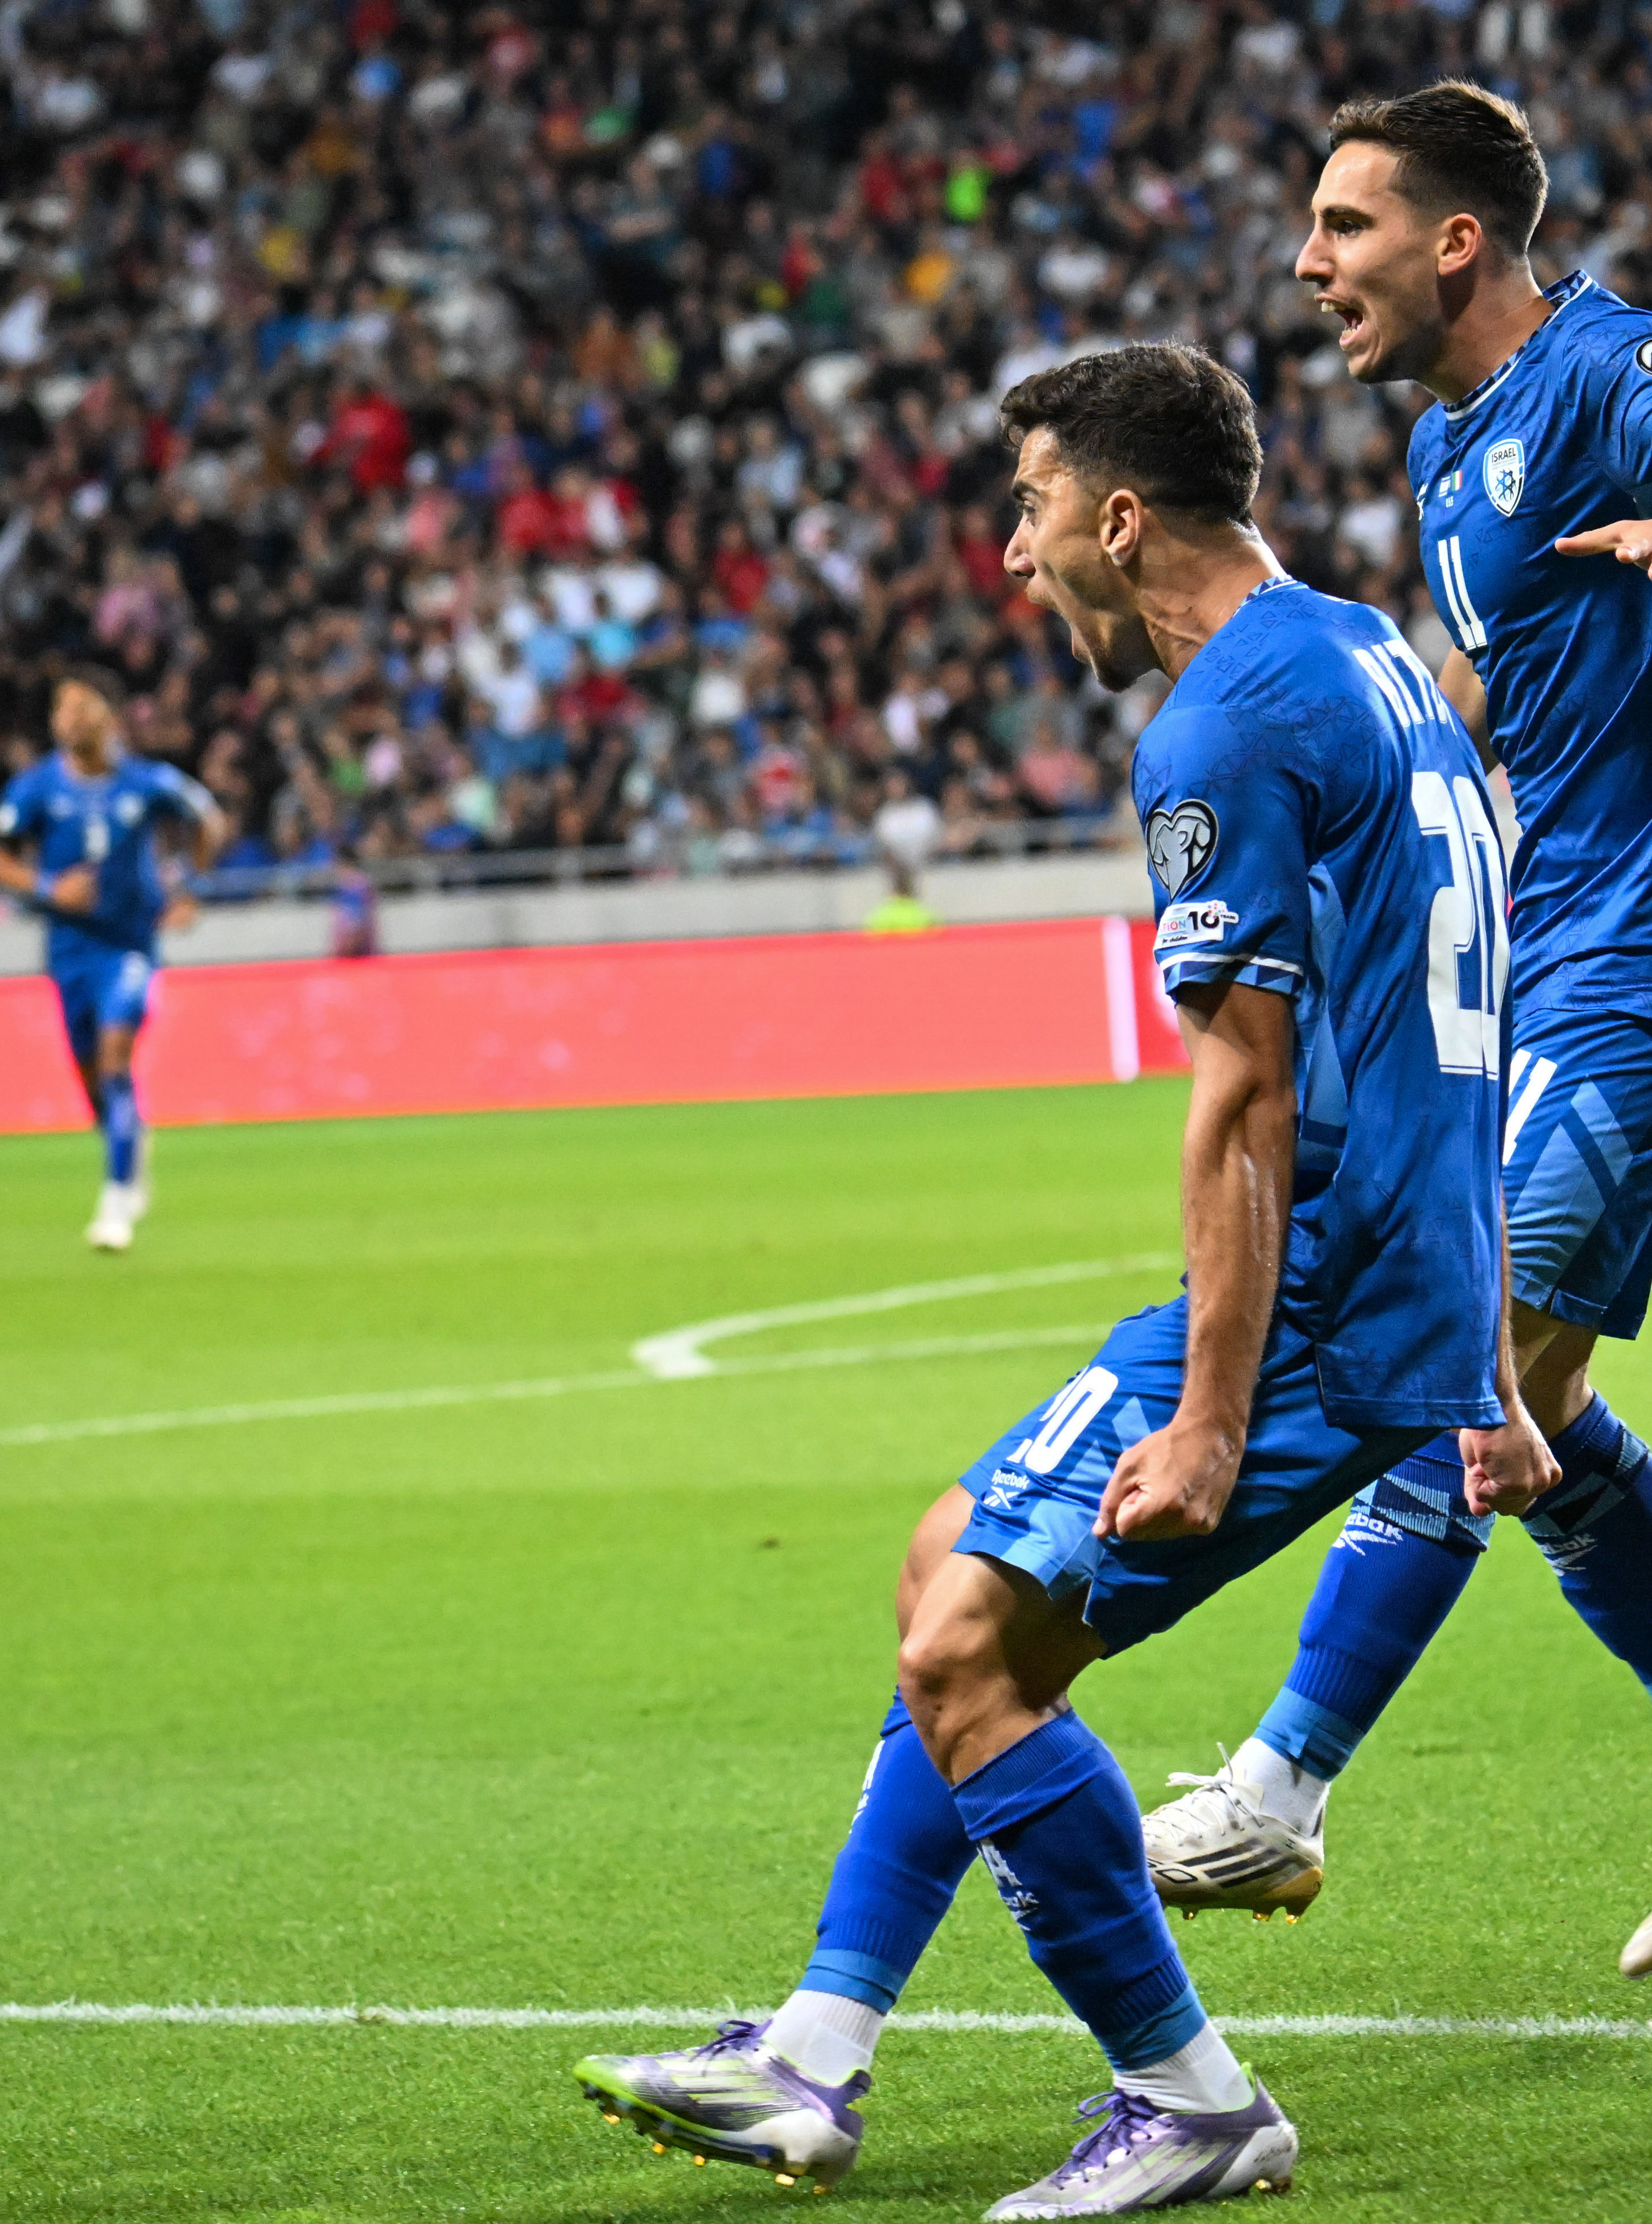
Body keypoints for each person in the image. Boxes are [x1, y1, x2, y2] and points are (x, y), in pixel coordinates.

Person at [569, 344, 1537, 2214]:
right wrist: (1484, 1342)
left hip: (1322, 1293)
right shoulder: (1371, 653)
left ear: (1115, 515)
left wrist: (1209, 1412)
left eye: (1025, 510)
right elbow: (1452, 1023)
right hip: (1399, 1264)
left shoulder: (1219, 723)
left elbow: (1246, 1092)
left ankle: (1185, 2096)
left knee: (965, 1651)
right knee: (952, 1553)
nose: (1012, 555)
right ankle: (814, 2048)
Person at [1140, 83, 1652, 1978]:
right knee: (1529, 1407)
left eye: (1344, 226)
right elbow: (1499, 691)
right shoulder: (1454, 459)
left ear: (1454, 240)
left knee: (1459, 1381)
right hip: (1566, 959)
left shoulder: (1600, 368)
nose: (1309, 263)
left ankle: (1278, 1788)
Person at [0, 673, 224, 1251]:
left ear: (108, 718)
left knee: (117, 1056)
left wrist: (186, 885)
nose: (68, 718)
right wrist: (47, 887)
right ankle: (126, 1141)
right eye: (60, 709)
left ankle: (116, 1199)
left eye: (81, 707)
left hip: (129, 945)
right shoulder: (36, 788)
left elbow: (208, 821)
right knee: (91, 1073)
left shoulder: (143, 783)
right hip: (69, 951)